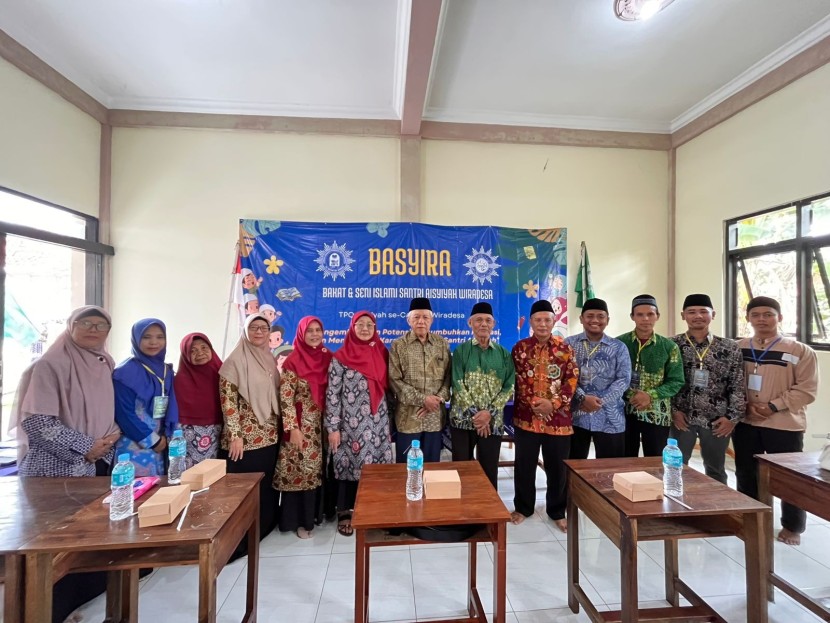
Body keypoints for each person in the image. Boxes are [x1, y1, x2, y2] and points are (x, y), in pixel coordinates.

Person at [10, 306, 119, 623]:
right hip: (55, 471)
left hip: (97, 464)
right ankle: (45, 611)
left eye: (101, 325)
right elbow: (37, 423)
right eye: (86, 323)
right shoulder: (49, 365)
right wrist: (87, 447)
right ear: (71, 326)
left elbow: (106, 411)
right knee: (54, 546)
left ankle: (76, 604)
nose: (94, 329)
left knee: (85, 541)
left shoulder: (104, 363)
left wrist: (110, 437)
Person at [733, 296, 819, 546]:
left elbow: (807, 390)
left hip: (784, 423)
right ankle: (750, 519)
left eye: (768, 314)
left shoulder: (799, 351)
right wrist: (745, 405)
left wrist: (772, 406)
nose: (762, 319)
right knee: (746, 472)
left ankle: (793, 526)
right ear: (748, 318)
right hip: (746, 421)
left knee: (789, 477)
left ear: (779, 317)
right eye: (756, 315)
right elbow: (728, 381)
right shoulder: (737, 348)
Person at [511, 300, 579, 531]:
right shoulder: (520, 348)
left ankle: (557, 511)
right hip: (526, 418)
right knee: (524, 466)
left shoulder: (565, 349)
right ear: (531, 322)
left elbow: (572, 381)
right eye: (538, 320)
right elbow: (517, 381)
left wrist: (554, 404)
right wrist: (536, 405)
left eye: (547, 320)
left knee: (557, 468)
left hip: (557, 420)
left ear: (554, 321)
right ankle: (523, 508)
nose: (542, 324)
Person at [326, 311, 393, 536]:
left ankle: (374, 509)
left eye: (369, 325)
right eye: (360, 325)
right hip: (350, 425)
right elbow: (332, 394)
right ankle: (345, 511)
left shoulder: (382, 352)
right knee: (349, 465)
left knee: (377, 467)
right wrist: (333, 428)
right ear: (352, 328)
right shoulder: (340, 357)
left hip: (378, 423)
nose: (365, 329)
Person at [219, 313, 281, 548]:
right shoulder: (234, 362)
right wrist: (235, 436)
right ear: (245, 331)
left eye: (263, 328)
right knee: (244, 490)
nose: (259, 332)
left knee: (265, 485)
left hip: (269, 435)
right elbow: (228, 402)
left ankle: (264, 526)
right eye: (253, 327)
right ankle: (241, 539)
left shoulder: (269, 359)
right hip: (245, 440)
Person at [670, 294, 746, 484]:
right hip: (681, 417)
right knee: (675, 467)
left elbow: (737, 383)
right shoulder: (671, 345)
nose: (698, 316)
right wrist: (673, 411)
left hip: (717, 419)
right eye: (692, 312)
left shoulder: (729, 347)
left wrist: (732, 418)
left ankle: (717, 503)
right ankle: (675, 502)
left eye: (703, 311)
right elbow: (664, 382)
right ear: (683, 315)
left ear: (713, 314)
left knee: (716, 470)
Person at [277, 316, 332, 538]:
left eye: (318, 330)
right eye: (309, 330)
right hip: (302, 426)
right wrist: (293, 428)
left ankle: (318, 515)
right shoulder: (293, 361)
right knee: (301, 471)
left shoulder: (328, 357)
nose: (315, 334)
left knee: (320, 471)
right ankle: (300, 522)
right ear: (301, 333)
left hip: (324, 425)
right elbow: (286, 398)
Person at [449, 302, 515, 489]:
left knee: (489, 471)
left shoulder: (504, 354)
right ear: (470, 323)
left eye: (487, 320)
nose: (483, 324)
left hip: (492, 423)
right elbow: (457, 384)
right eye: (478, 320)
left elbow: (509, 386)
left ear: (493, 324)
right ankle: (462, 506)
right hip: (462, 420)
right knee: (461, 469)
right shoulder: (461, 351)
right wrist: (477, 415)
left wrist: (488, 414)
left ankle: (487, 507)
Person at [617, 295, 684, 457]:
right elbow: (611, 377)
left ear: (657, 316)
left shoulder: (669, 347)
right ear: (632, 316)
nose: (645, 319)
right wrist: (631, 395)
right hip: (624, 411)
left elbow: (676, 381)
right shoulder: (619, 344)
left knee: (655, 461)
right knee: (625, 460)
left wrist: (650, 395)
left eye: (650, 314)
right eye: (640, 314)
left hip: (657, 414)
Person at [565, 298, 631, 459]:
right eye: (590, 316)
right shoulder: (568, 344)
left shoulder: (618, 347)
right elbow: (565, 376)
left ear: (607, 320)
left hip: (610, 417)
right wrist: (582, 398)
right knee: (572, 467)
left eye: (600, 316)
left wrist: (599, 402)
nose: (595, 320)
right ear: (581, 319)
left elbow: (623, 379)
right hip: (576, 415)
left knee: (609, 468)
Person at [388, 297, 451, 464]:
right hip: (408, 418)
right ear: (408, 320)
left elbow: (448, 378)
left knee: (432, 468)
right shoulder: (398, 345)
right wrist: (423, 400)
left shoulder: (442, 344)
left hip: (434, 417)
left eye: (425, 317)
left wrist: (437, 400)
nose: (421, 321)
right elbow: (395, 380)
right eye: (416, 317)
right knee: (406, 467)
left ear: (432, 320)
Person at [113, 318, 179, 477]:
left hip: (162, 443)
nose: (154, 342)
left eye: (160, 337)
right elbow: (124, 414)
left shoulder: (166, 370)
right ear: (136, 339)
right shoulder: (125, 372)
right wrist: (153, 441)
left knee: (159, 488)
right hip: (135, 444)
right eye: (146, 337)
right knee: (135, 488)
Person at [174, 333, 224, 468]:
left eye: (204, 348)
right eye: (193, 351)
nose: (200, 353)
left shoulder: (223, 374)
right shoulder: (178, 381)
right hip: (186, 435)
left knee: (213, 473)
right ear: (185, 355)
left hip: (218, 432)